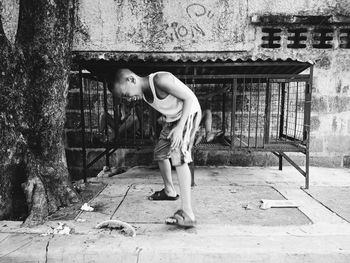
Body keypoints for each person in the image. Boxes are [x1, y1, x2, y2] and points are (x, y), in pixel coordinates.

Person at [110, 68, 201, 228]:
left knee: (178, 154)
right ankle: (169, 191)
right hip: (172, 119)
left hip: (188, 114)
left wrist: (180, 128)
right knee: (160, 152)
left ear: (131, 80)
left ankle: (188, 213)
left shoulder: (160, 79)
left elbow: (188, 99)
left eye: (126, 95)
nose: (129, 100)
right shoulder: (144, 93)